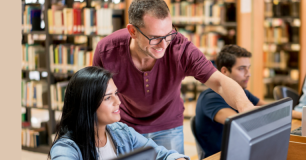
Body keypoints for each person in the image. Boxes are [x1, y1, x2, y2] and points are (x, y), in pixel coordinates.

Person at [92, 0, 255, 153]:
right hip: (125, 126)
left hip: (168, 126)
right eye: (155, 38)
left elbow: (220, 82)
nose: (164, 46)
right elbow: (95, 95)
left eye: (169, 34)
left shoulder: (181, 48)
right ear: (133, 31)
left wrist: (246, 109)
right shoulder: (106, 50)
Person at [49, 66, 189, 160]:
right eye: (108, 97)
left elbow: (161, 155)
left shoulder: (123, 132)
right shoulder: (65, 149)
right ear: (87, 104)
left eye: (116, 93)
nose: (118, 102)